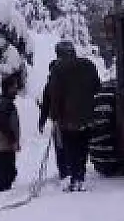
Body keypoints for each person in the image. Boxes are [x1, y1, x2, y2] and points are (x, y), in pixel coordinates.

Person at [38, 40, 100, 192]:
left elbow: (54, 94)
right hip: (87, 116)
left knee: (71, 148)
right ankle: (80, 176)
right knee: (83, 146)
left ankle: (74, 178)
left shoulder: (58, 69)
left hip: (67, 118)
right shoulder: (88, 65)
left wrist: (53, 115)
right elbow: (97, 86)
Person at [0, 72, 21, 192]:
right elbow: (3, 123)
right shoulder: (4, 103)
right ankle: (1, 191)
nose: (16, 89)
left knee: (9, 169)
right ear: (8, 88)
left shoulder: (4, 102)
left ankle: (4, 189)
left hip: (3, 143)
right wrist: (12, 138)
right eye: (14, 86)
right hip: (3, 143)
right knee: (6, 170)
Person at [37, 59, 68, 181]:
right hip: (65, 121)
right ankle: (67, 171)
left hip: (59, 121)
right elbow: (45, 105)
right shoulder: (59, 84)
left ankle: (65, 172)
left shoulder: (50, 85)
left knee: (62, 147)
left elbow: (45, 106)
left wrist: (42, 122)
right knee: (67, 146)